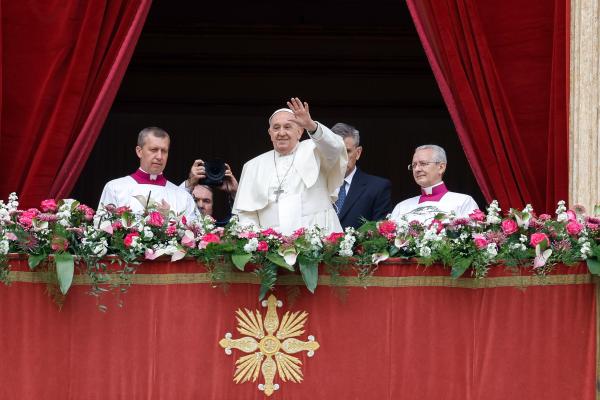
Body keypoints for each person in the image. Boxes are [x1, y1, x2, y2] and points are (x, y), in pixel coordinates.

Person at [232, 97, 348, 235]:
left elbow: (336, 147)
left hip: (318, 241)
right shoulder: (253, 166)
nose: (281, 133)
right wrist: (257, 243)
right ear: (270, 134)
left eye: (288, 127)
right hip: (271, 249)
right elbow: (246, 214)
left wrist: (311, 125)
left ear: (300, 131)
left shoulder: (316, 150)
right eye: (276, 128)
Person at [98, 127, 197, 218]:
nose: (159, 156)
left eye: (164, 151)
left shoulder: (182, 196)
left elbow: (194, 234)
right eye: (154, 150)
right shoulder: (115, 188)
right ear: (139, 151)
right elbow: (101, 230)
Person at [390, 144, 478, 223]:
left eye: (423, 163)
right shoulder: (401, 207)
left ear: (441, 167)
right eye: (414, 165)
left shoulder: (463, 201)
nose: (417, 169)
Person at [331, 122, 392, 229]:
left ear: (358, 152)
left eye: (347, 151)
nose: (342, 157)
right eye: (336, 151)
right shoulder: (318, 186)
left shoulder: (377, 188)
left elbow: (379, 235)